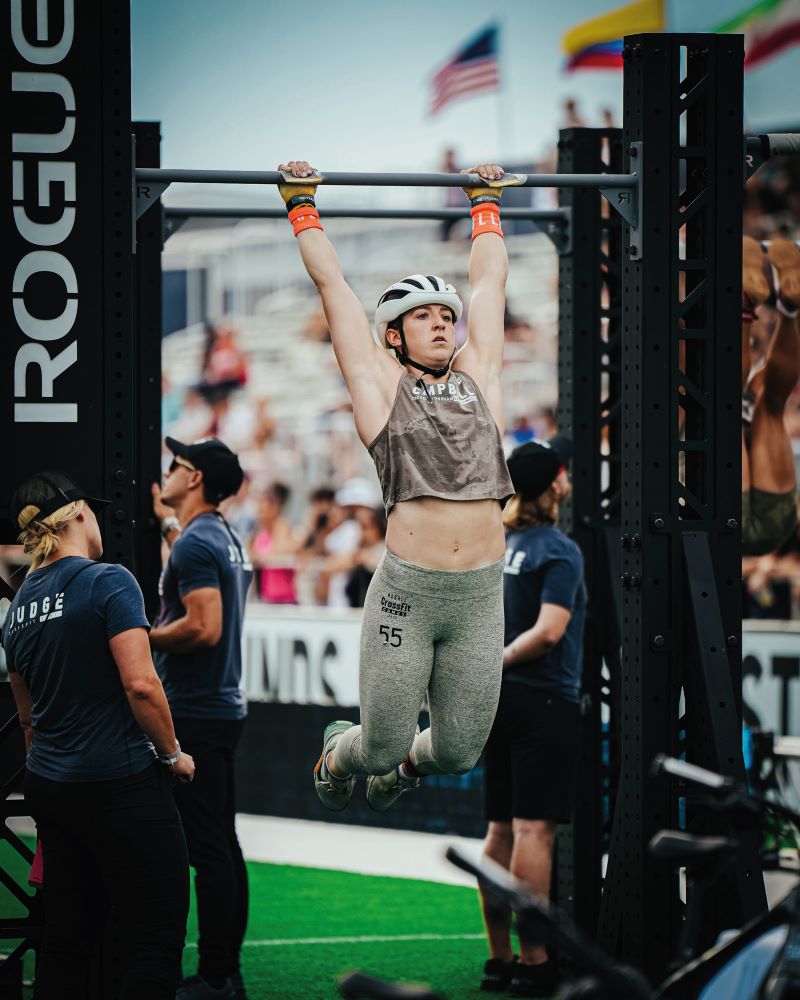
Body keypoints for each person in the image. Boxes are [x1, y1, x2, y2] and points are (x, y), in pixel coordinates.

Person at [277, 158, 514, 814]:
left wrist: (485, 202)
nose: (441, 322)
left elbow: (489, 282)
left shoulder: (480, 379)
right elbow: (336, 291)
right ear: (394, 335)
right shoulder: (380, 388)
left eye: (446, 314)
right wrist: (302, 205)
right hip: (409, 591)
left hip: (479, 594)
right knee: (376, 746)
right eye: (423, 316)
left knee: (460, 751)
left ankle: (403, 767)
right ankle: (339, 753)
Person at [1, 470, 194, 1000]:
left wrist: (54, 781)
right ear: (80, 513)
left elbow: (27, 721)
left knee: (66, 942)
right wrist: (173, 754)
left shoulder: (17, 608)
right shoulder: (108, 581)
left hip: (54, 790)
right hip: (121, 784)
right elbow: (141, 684)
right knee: (153, 941)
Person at [478, 438, 586, 998]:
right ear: (556, 486)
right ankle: (536, 961)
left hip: (494, 701)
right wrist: (502, 657)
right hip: (543, 699)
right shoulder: (558, 549)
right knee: (531, 831)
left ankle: (499, 960)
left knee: (499, 830)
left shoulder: (494, 544)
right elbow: (548, 632)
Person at [150, 437, 252, 1000]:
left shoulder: (197, 544)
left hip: (195, 709)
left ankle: (217, 975)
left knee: (208, 850)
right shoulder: (219, 536)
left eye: (174, 465)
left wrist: (140, 637)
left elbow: (203, 627)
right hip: (222, 707)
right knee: (222, 846)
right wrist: (168, 529)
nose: (166, 473)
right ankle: (224, 970)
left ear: (193, 480)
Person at [741, 236, 800, 556]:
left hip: (772, 525)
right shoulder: (756, 392)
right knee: (771, 404)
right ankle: (775, 308)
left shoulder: (754, 389)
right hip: (753, 511)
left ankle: (786, 309)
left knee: (723, 410)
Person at [250, 482, 299, 604]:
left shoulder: (282, 526)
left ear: (275, 508)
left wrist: (261, 557)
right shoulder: (259, 533)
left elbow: (283, 549)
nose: (260, 513)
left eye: (264, 509)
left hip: (285, 598)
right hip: (266, 597)